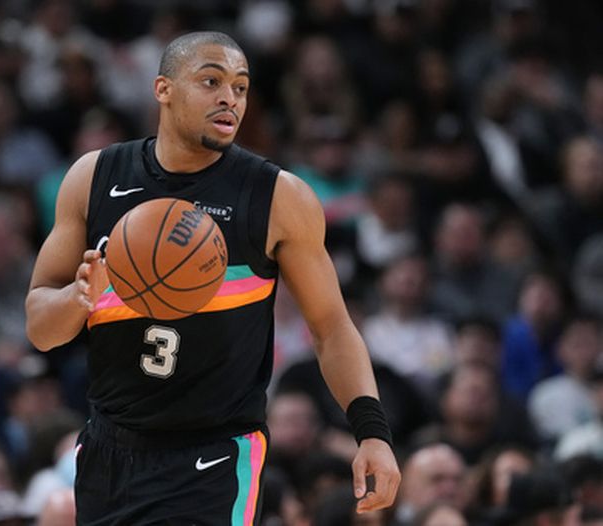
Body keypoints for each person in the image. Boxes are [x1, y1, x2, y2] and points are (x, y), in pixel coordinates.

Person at [25, 31, 400, 524]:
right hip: (109, 449)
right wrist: (77, 299)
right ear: (163, 89)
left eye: (241, 87)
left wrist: (371, 431)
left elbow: (331, 327)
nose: (230, 98)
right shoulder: (93, 178)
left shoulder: (278, 197)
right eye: (211, 81)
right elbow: (40, 328)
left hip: (216, 455)